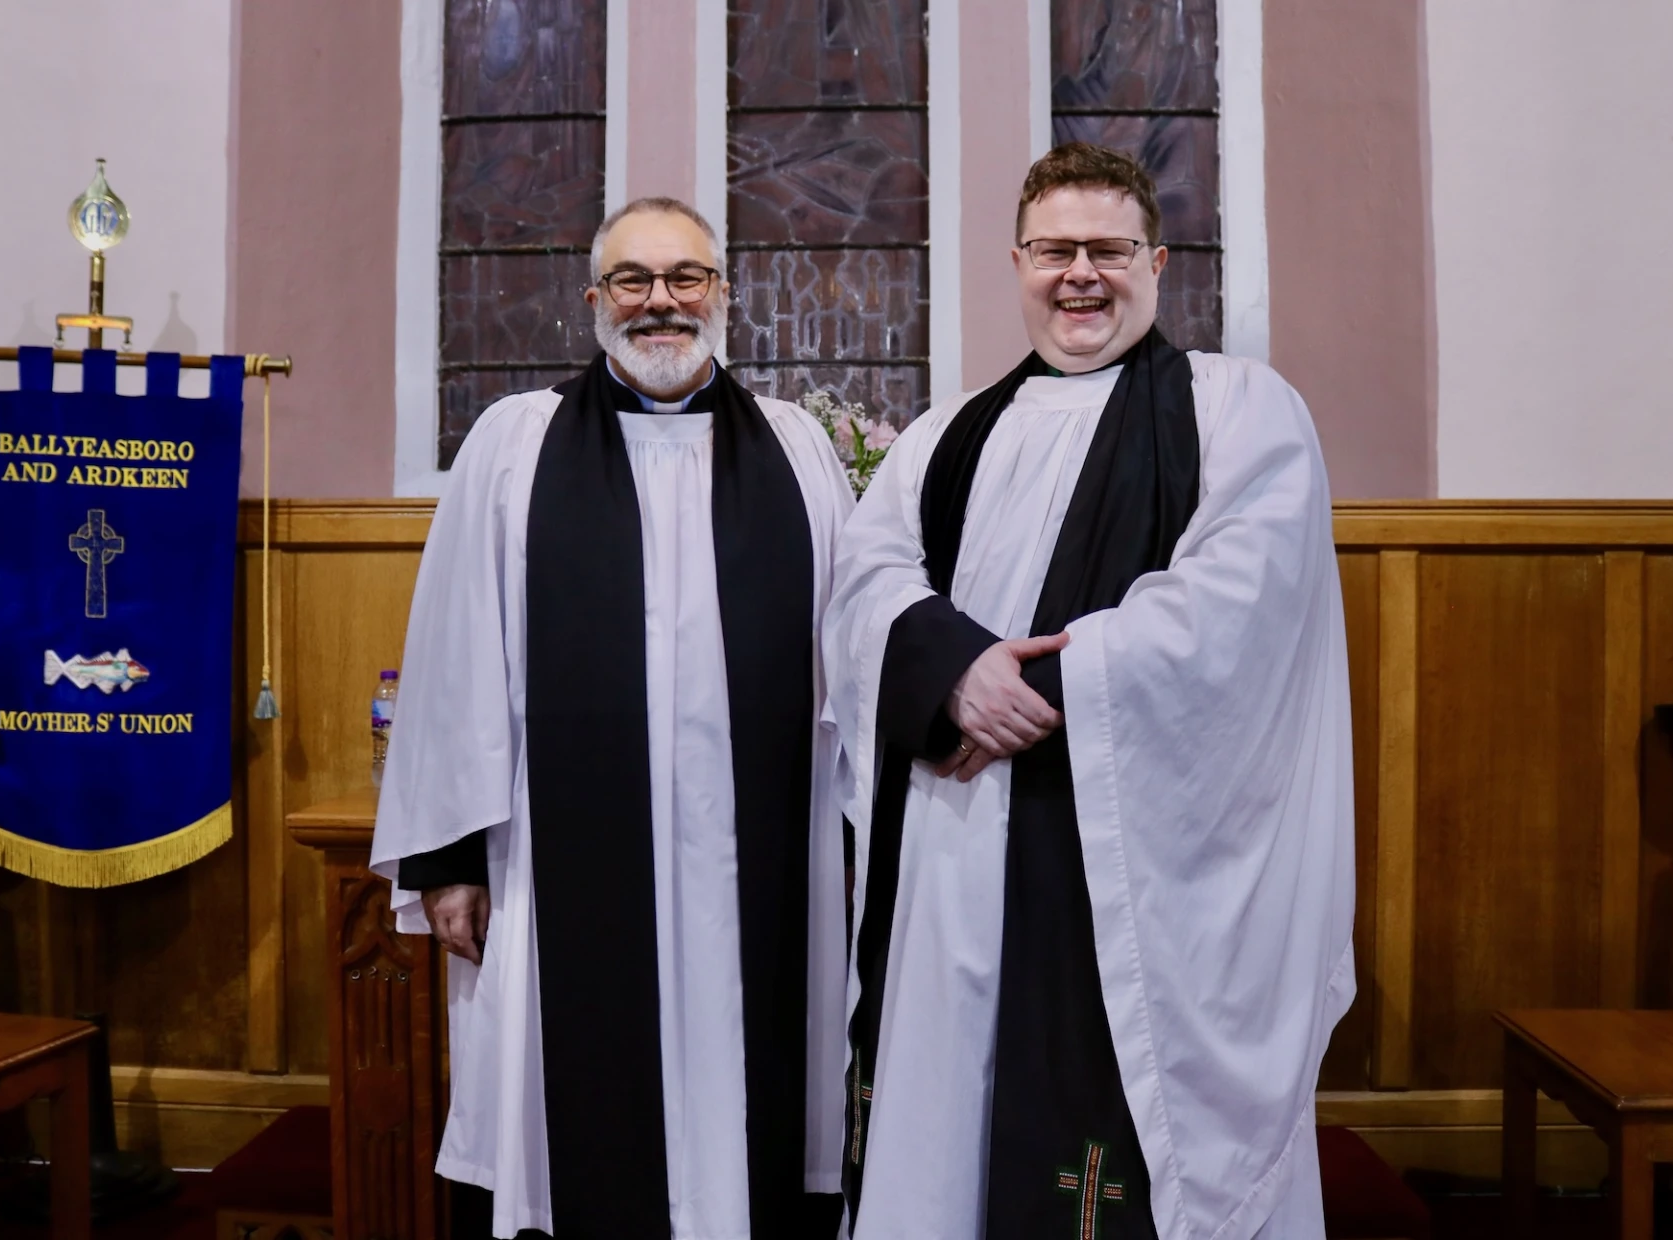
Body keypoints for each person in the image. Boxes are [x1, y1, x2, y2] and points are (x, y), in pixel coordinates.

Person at [822, 144, 1355, 1239]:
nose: (1081, 275)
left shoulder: (1239, 411)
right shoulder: (948, 434)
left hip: (1130, 860)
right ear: (1017, 263)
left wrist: (1039, 684)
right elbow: (867, 578)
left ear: (1158, 262)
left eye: (1108, 250)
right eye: (1055, 250)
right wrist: (947, 666)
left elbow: (1239, 605)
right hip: (959, 844)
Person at [371, 196, 854, 1240]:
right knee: (572, 1103)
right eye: (633, 280)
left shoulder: (799, 450)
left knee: (757, 1077)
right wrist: (450, 855)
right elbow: (456, 651)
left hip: (759, 866)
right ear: (595, 300)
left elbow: (847, 662)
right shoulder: (516, 446)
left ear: (724, 296)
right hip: (560, 859)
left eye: (687, 278)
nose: (661, 302)